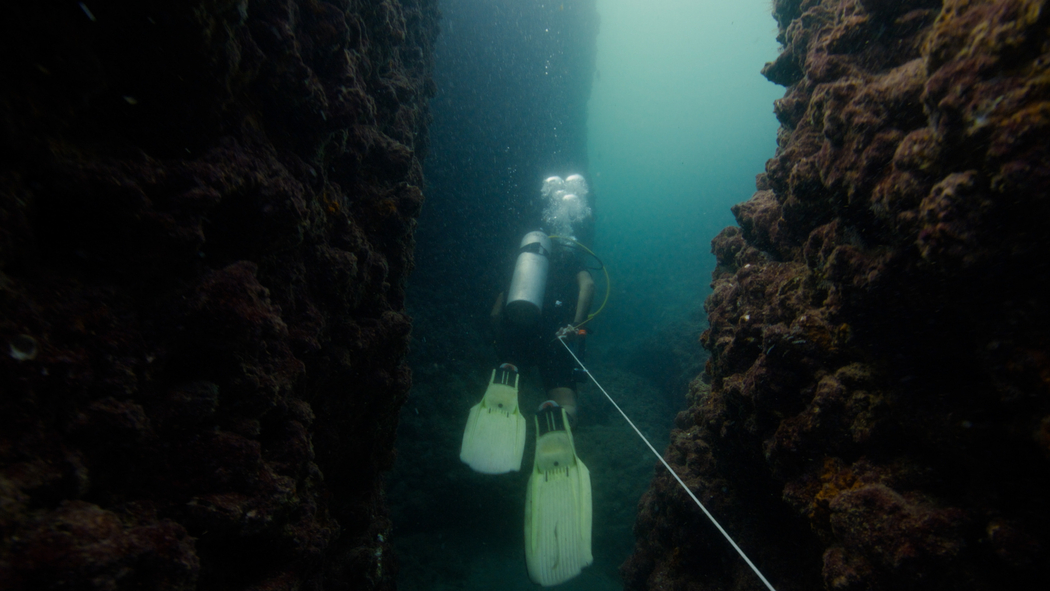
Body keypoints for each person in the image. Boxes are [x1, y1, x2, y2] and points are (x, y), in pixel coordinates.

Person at [459, 175, 596, 586]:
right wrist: (576, 323)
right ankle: (556, 415)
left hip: (517, 327)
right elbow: (588, 285)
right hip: (556, 333)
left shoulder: (527, 256)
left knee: (513, 363)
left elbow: (502, 297)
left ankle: (509, 374)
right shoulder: (571, 255)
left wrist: (498, 326)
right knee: (566, 396)